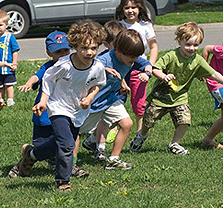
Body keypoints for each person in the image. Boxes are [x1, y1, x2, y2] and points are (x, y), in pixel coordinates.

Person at [10, 20, 107, 191]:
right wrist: (43, 102)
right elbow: (48, 79)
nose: (89, 52)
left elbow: (98, 83)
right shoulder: (64, 64)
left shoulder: (98, 66)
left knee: (59, 143)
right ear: (75, 46)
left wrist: (90, 97)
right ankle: (62, 181)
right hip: (58, 107)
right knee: (68, 145)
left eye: (93, 48)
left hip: (78, 111)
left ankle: (31, 155)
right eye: (84, 48)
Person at [129, 21, 223, 155]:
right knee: (149, 121)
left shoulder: (197, 60)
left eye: (196, 45)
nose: (192, 48)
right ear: (179, 42)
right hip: (160, 97)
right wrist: (164, 77)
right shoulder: (171, 56)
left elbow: (214, 74)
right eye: (188, 44)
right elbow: (155, 68)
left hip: (180, 97)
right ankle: (141, 135)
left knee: (184, 120)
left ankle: (174, 144)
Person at [8, 30, 89, 178]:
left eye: (66, 50)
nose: (63, 54)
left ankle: (69, 166)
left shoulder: (74, 66)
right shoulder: (48, 67)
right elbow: (36, 76)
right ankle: (25, 160)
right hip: (44, 113)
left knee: (65, 141)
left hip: (64, 112)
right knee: (43, 147)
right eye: (58, 52)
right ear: (49, 53)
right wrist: (28, 83)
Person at [80, 29, 152, 170]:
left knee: (126, 124)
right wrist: (105, 70)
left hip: (110, 99)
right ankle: (56, 154)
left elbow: (146, 64)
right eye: (132, 56)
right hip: (93, 102)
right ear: (119, 51)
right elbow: (88, 68)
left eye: (137, 56)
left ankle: (113, 159)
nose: (135, 60)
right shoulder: (104, 59)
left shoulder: (131, 58)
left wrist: (147, 72)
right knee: (74, 132)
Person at [115, 0, 158, 132]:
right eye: (127, 7)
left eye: (134, 7)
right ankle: (113, 126)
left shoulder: (146, 25)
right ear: (122, 9)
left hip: (139, 68)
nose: (130, 10)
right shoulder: (119, 26)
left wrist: (149, 66)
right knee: (117, 97)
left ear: (140, 8)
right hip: (121, 67)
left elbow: (153, 46)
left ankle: (140, 131)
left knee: (138, 100)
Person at [0, 10, 20, 106]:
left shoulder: (10, 37)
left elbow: (15, 51)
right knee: (0, 85)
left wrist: (14, 63)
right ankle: (0, 99)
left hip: (8, 67)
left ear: (6, 24)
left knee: (9, 84)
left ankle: (10, 99)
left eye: (0, 25)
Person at [201, 45, 223, 149]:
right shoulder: (221, 50)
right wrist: (203, 69)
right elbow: (206, 48)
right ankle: (207, 139)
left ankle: (207, 140)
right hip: (216, 84)